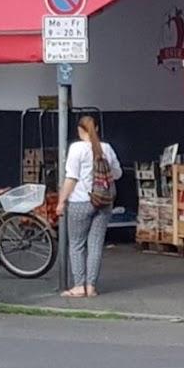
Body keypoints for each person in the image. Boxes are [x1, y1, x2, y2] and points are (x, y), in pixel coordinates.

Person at [56, 116, 122, 298]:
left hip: (80, 201)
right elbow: (117, 173)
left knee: (77, 245)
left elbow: (71, 178)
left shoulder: (76, 148)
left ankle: (79, 286)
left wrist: (61, 201)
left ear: (79, 130)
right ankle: (91, 286)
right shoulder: (107, 148)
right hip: (104, 202)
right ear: (97, 129)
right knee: (95, 245)